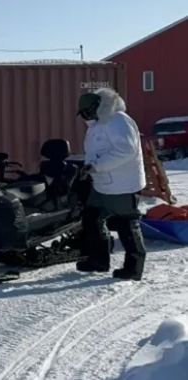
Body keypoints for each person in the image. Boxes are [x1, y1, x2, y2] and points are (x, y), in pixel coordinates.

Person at [75, 87, 147, 280]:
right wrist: (88, 167)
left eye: (86, 112)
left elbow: (126, 151)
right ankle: (99, 260)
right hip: (101, 183)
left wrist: (97, 166)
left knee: (126, 223)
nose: (85, 117)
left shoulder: (118, 120)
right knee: (91, 218)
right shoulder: (98, 123)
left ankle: (134, 268)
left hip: (122, 185)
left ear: (97, 107)